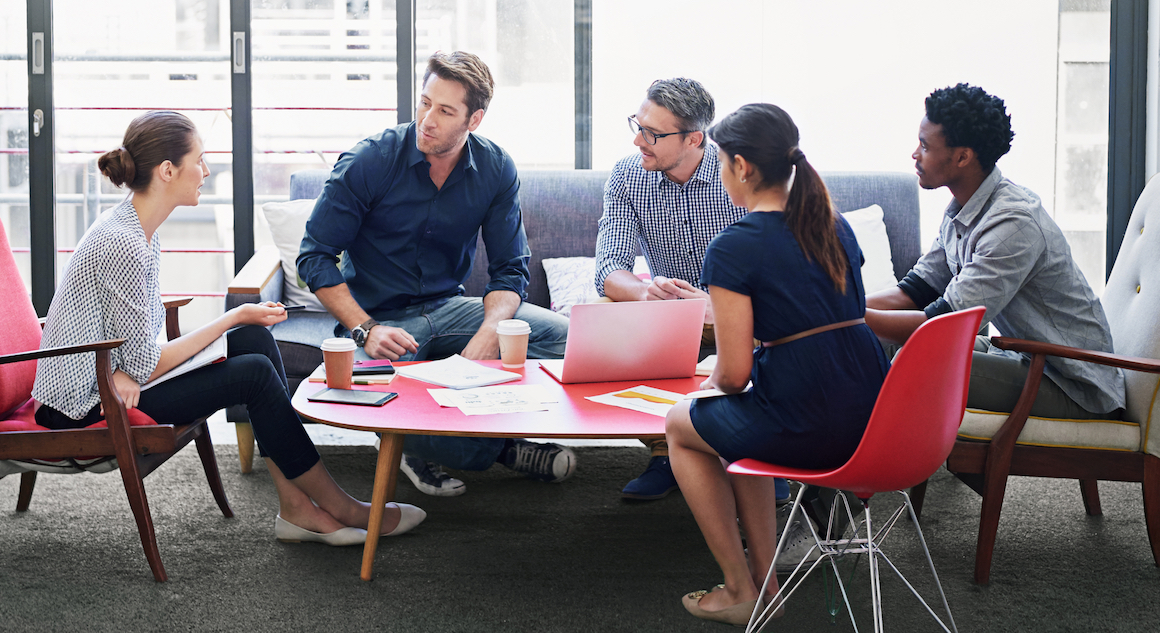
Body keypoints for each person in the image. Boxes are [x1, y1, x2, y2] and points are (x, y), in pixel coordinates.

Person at [32, 111, 423, 547]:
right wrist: (231, 317)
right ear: (167, 171)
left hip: (110, 375)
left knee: (254, 339)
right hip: (85, 403)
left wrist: (134, 366)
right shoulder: (125, 242)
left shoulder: (138, 227)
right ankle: (343, 508)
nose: (206, 170)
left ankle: (296, 509)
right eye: (199, 160)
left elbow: (136, 346)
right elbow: (142, 363)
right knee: (252, 370)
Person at [296, 51, 575, 497]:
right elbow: (314, 257)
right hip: (380, 318)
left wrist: (489, 334)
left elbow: (509, 271)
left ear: (474, 119)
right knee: (380, 392)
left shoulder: (496, 168)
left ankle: (426, 439)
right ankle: (493, 449)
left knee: (570, 339)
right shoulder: (369, 160)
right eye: (425, 102)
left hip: (450, 308)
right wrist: (365, 328)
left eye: (445, 111)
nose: (428, 119)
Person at [665, 104, 890, 625]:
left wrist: (706, 385)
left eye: (720, 163)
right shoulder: (833, 224)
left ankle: (740, 586)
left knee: (681, 424)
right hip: (875, 417)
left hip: (810, 422)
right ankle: (766, 585)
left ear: (741, 167)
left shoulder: (734, 247)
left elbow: (735, 373)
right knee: (739, 422)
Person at [866, 83, 1125, 422]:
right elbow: (913, 292)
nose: (915, 154)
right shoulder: (963, 210)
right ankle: (842, 462)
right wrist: (839, 308)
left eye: (925, 146)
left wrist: (848, 319)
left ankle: (881, 472)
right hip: (1027, 358)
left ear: (962, 157)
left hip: (1073, 384)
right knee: (889, 346)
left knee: (916, 361)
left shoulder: (1012, 224)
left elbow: (940, 325)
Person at [595, 78, 788, 504]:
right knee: (606, 308)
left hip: (743, 317)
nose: (637, 139)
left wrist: (718, 306)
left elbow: (779, 275)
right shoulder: (628, 176)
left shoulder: (737, 177)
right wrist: (647, 295)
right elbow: (609, 268)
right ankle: (666, 451)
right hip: (669, 317)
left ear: (694, 139)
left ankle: (762, 453)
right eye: (638, 125)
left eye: (653, 134)